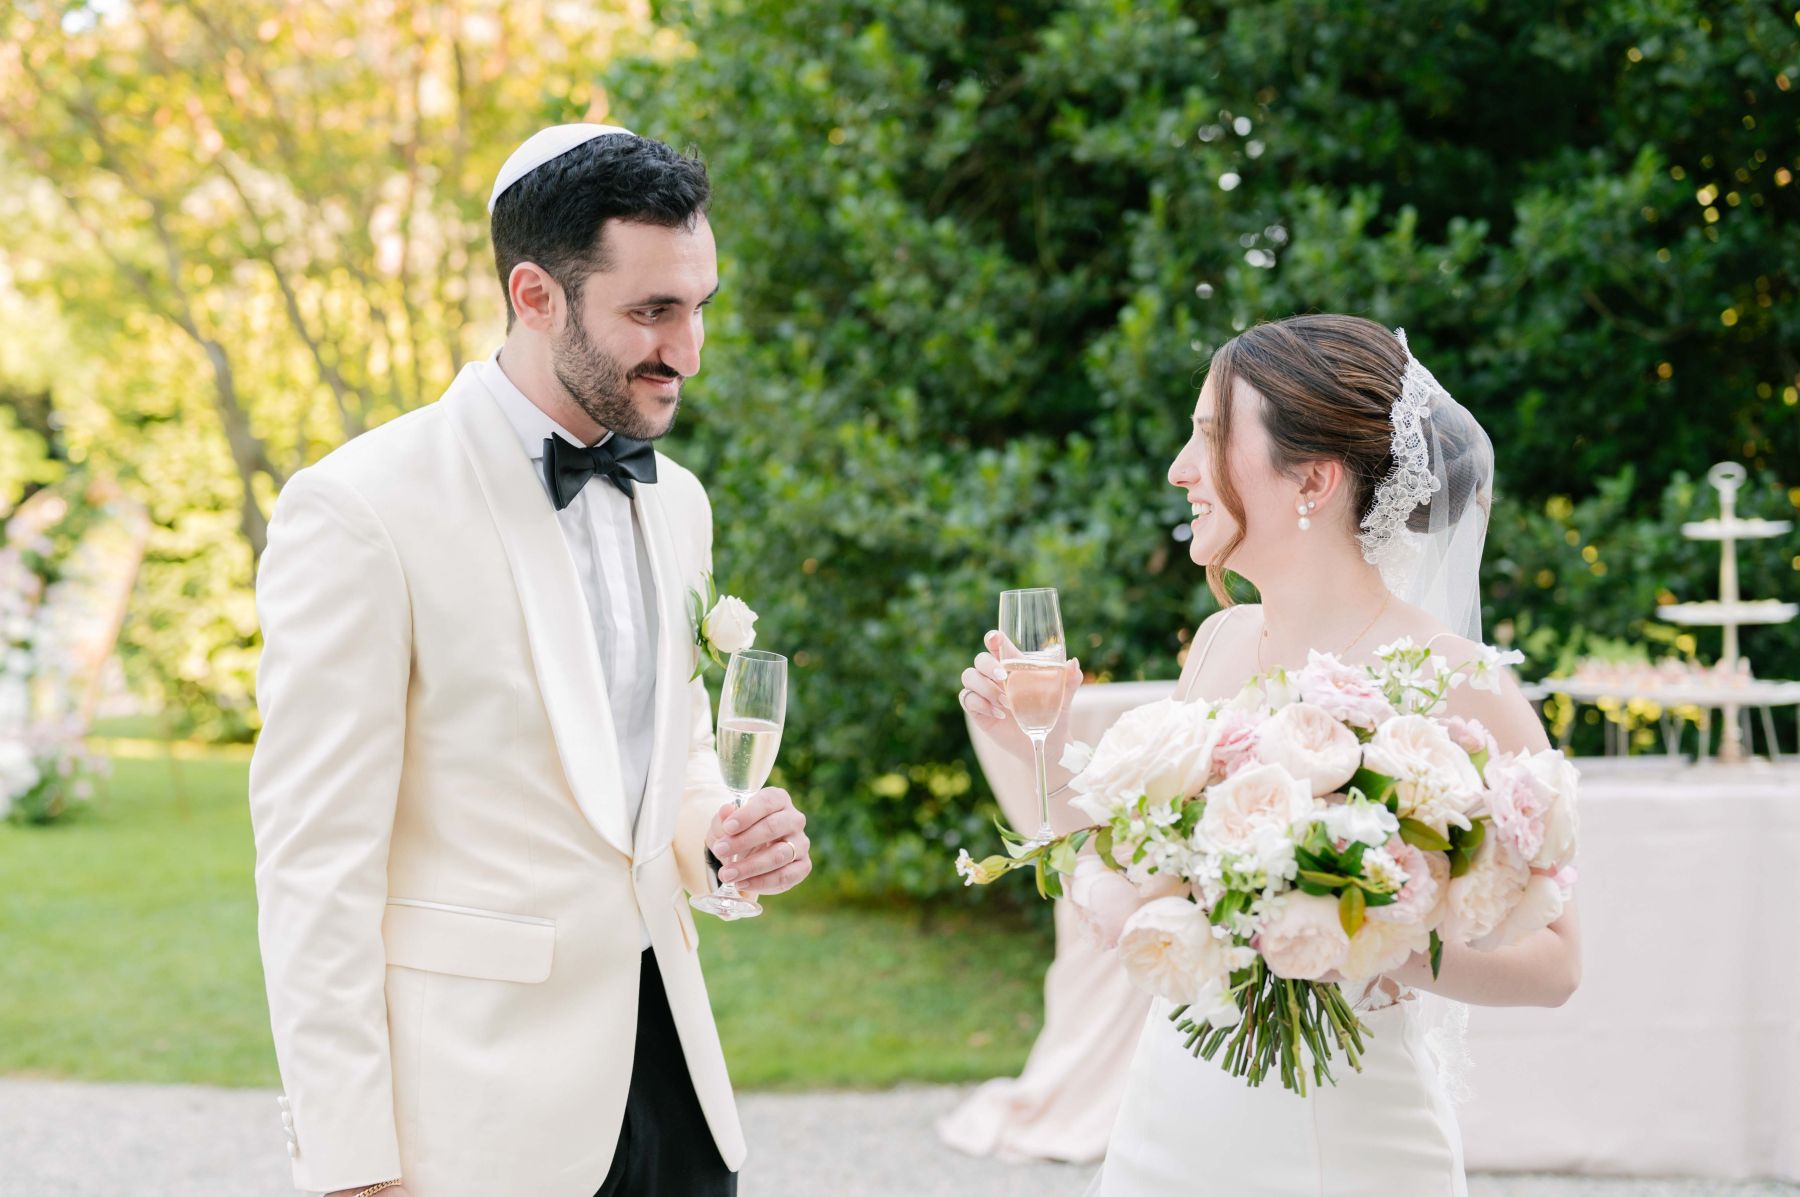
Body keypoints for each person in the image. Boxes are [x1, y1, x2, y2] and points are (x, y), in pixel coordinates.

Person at [248, 124, 813, 1197]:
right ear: (536, 295)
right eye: (652, 312)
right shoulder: (360, 508)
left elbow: (667, 757)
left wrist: (722, 839)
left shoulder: (678, 501)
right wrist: (353, 1166)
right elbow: (312, 869)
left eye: (699, 306)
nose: (688, 351)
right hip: (476, 1126)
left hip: (678, 1099)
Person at [956, 314, 1580, 1194]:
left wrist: (1371, 942)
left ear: (1314, 480)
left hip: (1353, 1133)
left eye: (1209, 436)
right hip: (1173, 1111)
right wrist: (1040, 745)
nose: (1179, 468)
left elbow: (1558, 962)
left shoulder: (1457, 681)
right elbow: (1138, 872)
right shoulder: (1218, 642)